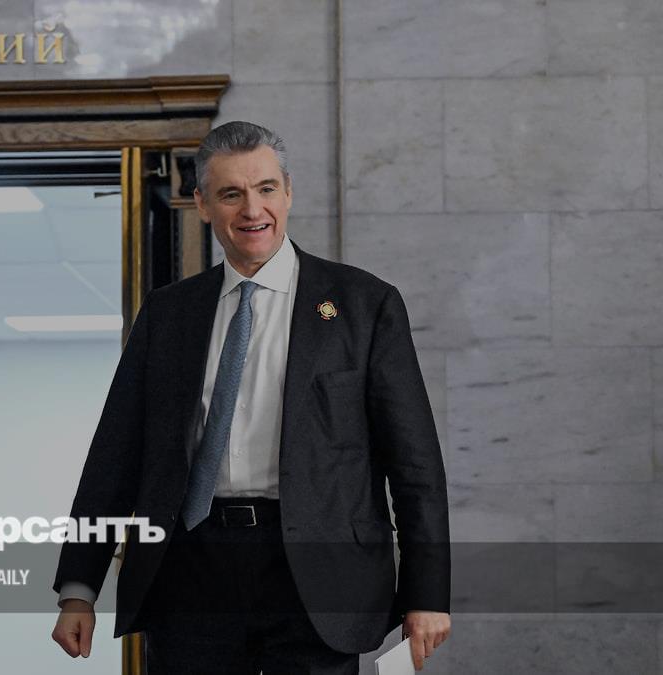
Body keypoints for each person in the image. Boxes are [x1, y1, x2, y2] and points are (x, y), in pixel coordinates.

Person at [50, 121, 451, 674]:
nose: (252, 209)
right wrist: (79, 587)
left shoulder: (364, 305)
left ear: (288, 192)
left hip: (317, 577)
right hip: (189, 570)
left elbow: (415, 466)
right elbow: (114, 457)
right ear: (202, 204)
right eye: (231, 194)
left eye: (265, 189)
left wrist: (426, 593)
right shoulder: (168, 314)